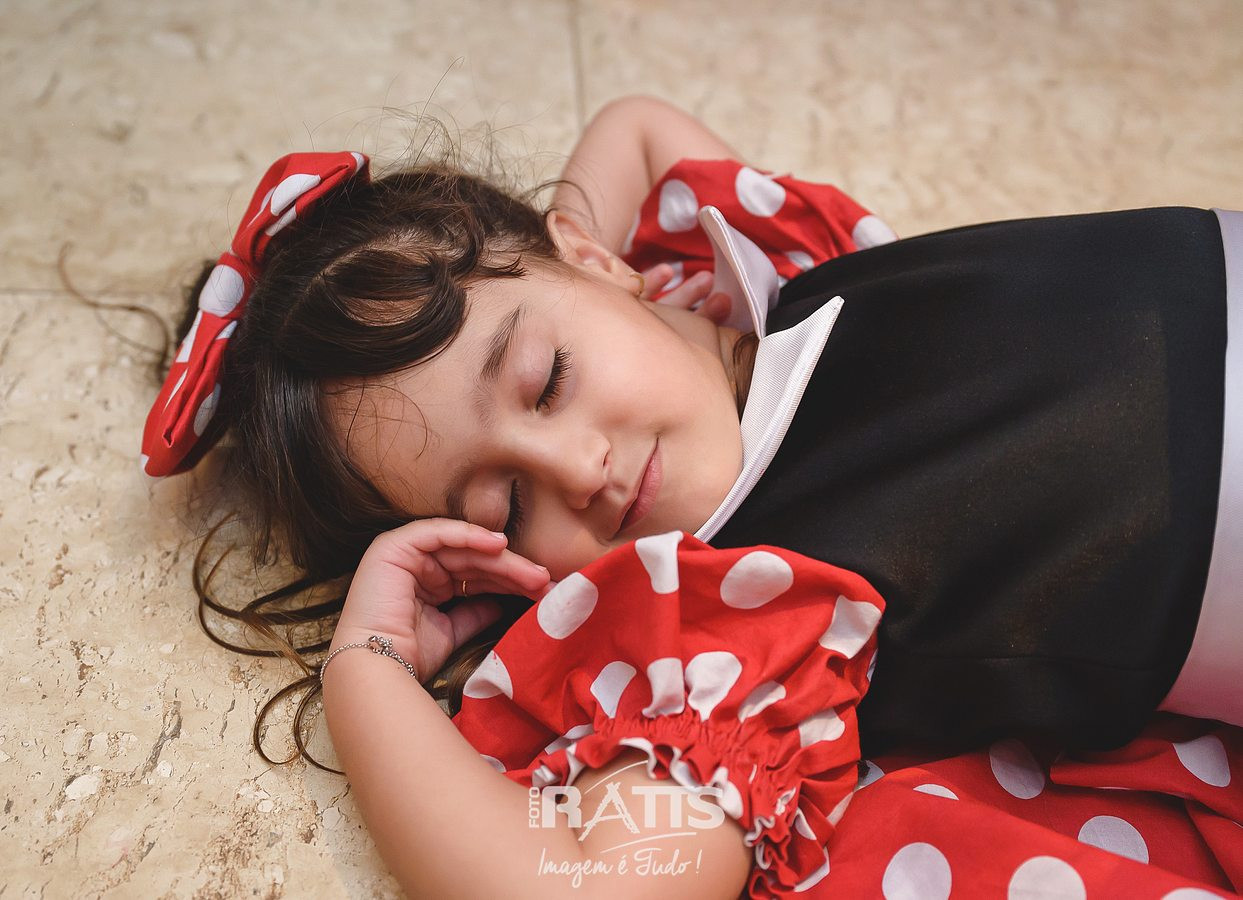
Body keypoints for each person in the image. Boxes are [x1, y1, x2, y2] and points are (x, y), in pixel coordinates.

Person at [141, 95, 1243, 897]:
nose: (579, 469)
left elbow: (634, 127)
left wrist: (591, 263)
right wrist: (367, 670)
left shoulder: (759, 271)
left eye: (546, 380)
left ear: (593, 259)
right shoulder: (734, 618)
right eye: (507, 508)